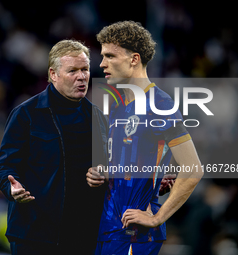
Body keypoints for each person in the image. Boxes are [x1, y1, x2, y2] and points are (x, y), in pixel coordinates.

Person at [86, 21, 203, 255]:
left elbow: (193, 169)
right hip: (109, 229)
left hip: (134, 233)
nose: (102, 64)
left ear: (134, 59)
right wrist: (100, 173)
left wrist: (157, 218)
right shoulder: (118, 105)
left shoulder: (160, 105)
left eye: (110, 56)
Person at [0, 39, 108, 255]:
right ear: (53, 74)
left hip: (83, 236)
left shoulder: (98, 118)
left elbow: (108, 166)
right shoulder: (26, 114)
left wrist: (104, 173)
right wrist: (11, 188)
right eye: (72, 70)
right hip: (34, 235)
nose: (81, 76)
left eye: (84, 69)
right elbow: (4, 166)